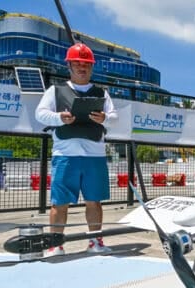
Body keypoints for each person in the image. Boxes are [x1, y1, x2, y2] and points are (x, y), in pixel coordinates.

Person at [35, 42, 117, 256]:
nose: (82, 68)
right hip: (65, 155)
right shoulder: (56, 90)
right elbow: (40, 114)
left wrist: (105, 118)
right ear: (69, 66)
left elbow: (115, 118)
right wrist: (59, 118)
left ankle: (95, 242)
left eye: (87, 64)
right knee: (59, 203)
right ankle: (55, 244)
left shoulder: (102, 93)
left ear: (92, 67)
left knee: (94, 201)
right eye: (78, 64)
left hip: (94, 156)